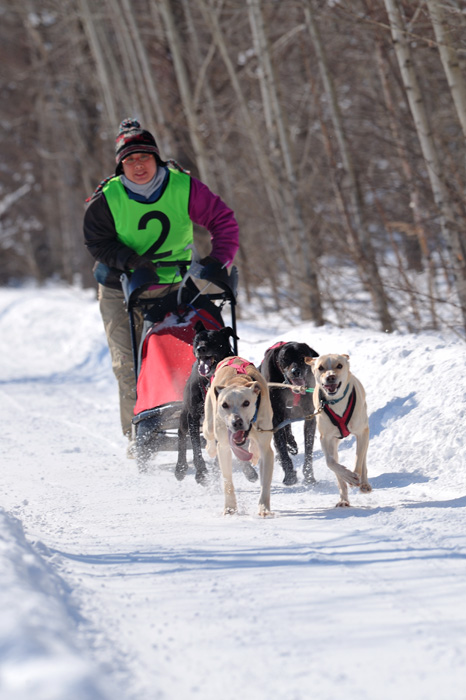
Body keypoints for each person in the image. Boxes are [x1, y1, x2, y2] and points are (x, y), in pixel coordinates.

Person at [83, 118, 239, 455]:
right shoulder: (107, 198)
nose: (138, 166)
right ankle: (138, 431)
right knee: (128, 362)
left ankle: (204, 416)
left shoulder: (182, 187)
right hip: (120, 285)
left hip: (175, 284)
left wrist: (218, 260)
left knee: (188, 349)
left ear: (156, 158)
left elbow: (222, 220)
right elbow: (97, 242)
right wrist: (132, 260)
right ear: (120, 165)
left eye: (144, 158)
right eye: (130, 160)